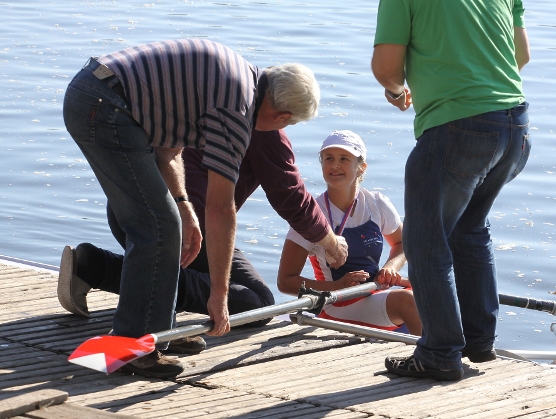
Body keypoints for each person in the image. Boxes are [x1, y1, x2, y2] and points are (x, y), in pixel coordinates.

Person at [61, 38, 341, 378]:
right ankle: (133, 346)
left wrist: (183, 205)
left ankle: (157, 330)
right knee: (160, 228)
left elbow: (168, 150)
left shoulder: (237, 78)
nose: (283, 130)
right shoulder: (237, 112)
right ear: (281, 116)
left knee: (168, 225)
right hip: (104, 103)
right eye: (287, 125)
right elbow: (220, 208)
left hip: (99, 90)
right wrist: (218, 295)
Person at [58, 128, 347, 350]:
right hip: (181, 227)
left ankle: (97, 266)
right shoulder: (266, 130)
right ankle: (101, 270)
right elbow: (291, 197)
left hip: (128, 207)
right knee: (257, 305)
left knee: (250, 295)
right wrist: (331, 242)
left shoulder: (213, 100)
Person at [371, 0, 531, 381]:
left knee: (425, 241)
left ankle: (440, 352)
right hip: (514, 127)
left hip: (457, 126)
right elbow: (521, 56)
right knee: (469, 228)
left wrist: (396, 91)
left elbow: (387, 68)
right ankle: (479, 339)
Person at [277, 130, 421, 335]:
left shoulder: (376, 203)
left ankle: (432, 346)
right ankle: (430, 352)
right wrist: (337, 286)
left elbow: (402, 244)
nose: (335, 165)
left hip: (372, 292)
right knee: (408, 301)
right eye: (329, 158)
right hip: (336, 304)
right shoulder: (310, 215)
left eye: (344, 159)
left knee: (432, 291)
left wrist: (390, 267)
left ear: (361, 167)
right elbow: (285, 281)